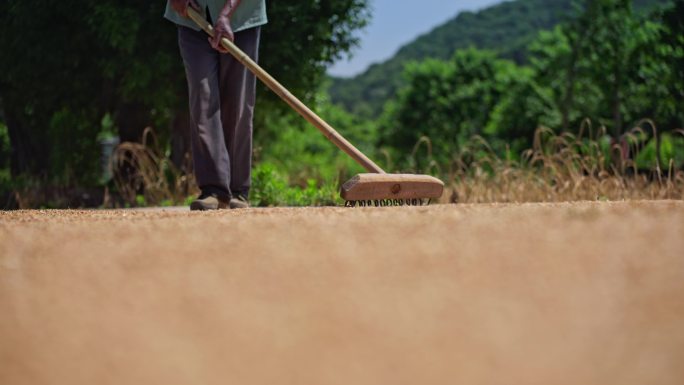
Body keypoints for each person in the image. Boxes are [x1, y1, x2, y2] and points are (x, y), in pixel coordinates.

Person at [165, 0, 267, 210]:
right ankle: (214, 190)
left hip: (241, 18)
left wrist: (226, 14)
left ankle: (238, 190)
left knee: (237, 104)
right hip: (191, 16)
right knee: (202, 100)